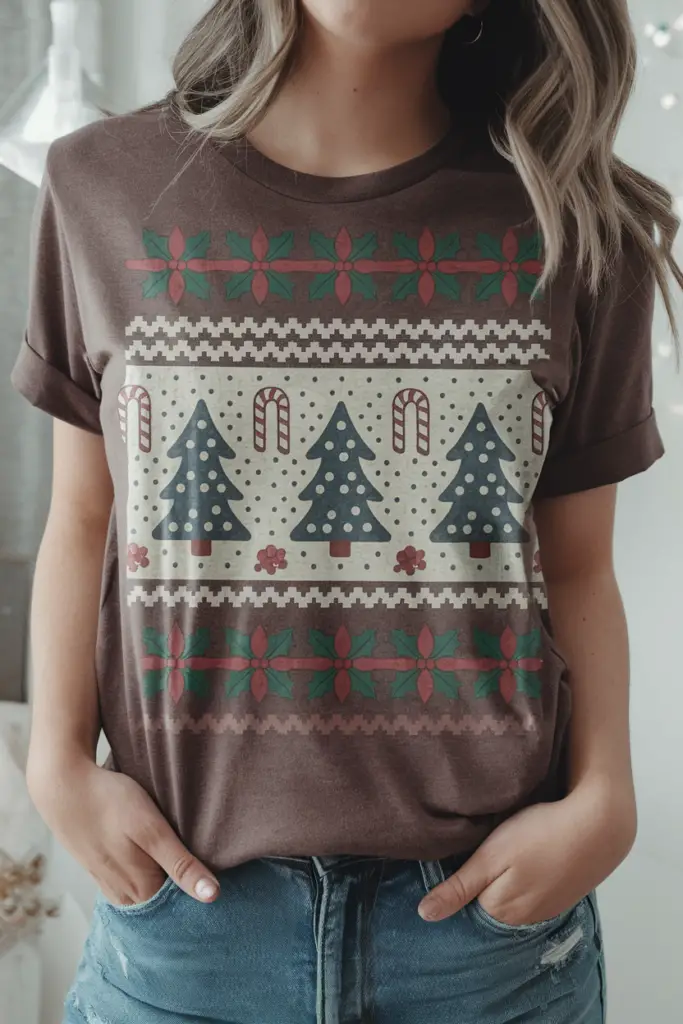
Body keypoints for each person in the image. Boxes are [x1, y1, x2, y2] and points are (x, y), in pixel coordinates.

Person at [12, 0, 682, 1021]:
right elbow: (85, 515)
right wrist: (57, 766)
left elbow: (578, 567)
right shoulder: (102, 185)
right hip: (188, 928)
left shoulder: (576, 230)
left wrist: (604, 799)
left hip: (484, 949)